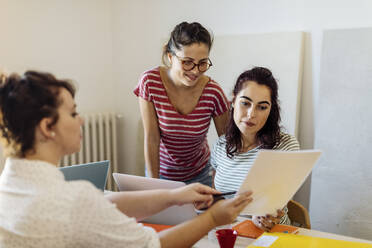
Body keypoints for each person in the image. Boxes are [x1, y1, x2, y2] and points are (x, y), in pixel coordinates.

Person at [0, 70, 252, 248]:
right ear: (47, 127)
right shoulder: (73, 201)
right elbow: (153, 245)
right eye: (73, 112)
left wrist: (174, 196)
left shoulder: (10, 186)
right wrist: (213, 219)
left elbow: (104, 203)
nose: (82, 120)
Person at [134, 21, 229, 186]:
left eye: (203, 63)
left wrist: (218, 182)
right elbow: (152, 139)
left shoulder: (213, 92)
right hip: (160, 173)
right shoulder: (149, 82)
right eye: (187, 62)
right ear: (171, 57)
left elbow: (227, 143)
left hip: (200, 175)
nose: (195, 71)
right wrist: (154, 185)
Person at [210, 67, 300, 231]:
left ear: (271, 109)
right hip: (230, 233)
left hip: (272, 235)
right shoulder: (220, 145)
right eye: (245, 103)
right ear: (233, 101)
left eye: (262, 107)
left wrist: (268, 214)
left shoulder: (286, 146)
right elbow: (217, 199)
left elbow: (280, 200)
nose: (251, 114)